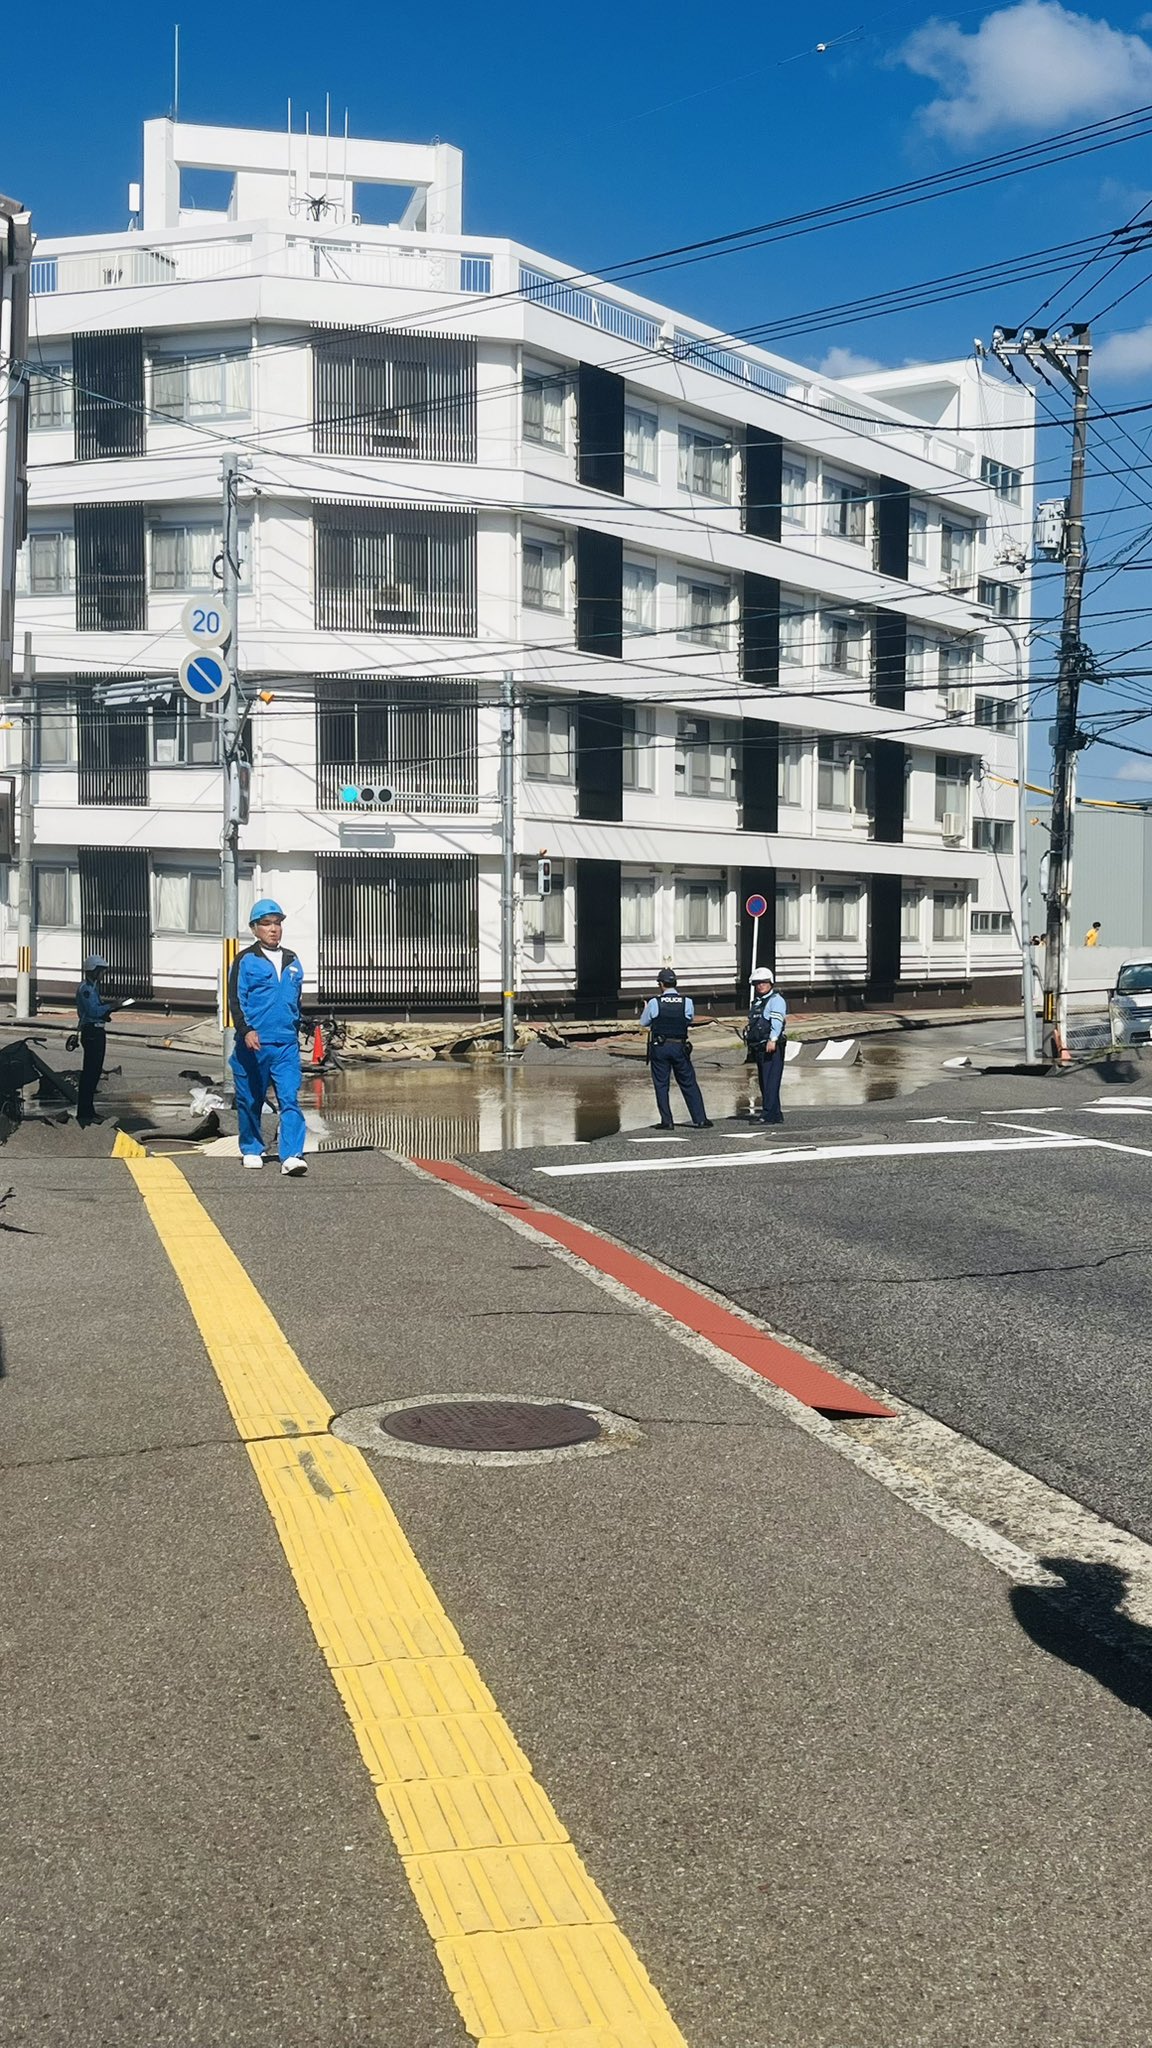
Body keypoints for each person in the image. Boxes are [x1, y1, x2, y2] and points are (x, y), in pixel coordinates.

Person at [227, 899, 309, 1175]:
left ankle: (292, 1155)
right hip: (254, 1042)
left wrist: (300, 1025)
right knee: (251, 1098)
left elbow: (295, 1001)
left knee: (290, 1098)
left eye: (277, 923)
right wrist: (246, 1030)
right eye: (266, 924)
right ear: (254, 928)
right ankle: (251, 1148)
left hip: (285, 1043)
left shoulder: (293, 959)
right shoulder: (245, 960)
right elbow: (235, 1000)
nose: (273, 929)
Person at [639, 968, 712, 1130]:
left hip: (660, 1047)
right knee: (688, 1082)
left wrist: (646, 1009)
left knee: (661, 1084)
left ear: (661, 984)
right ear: (675, 983)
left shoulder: (654, 1003)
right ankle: (700, 1119)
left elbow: (644, 1023)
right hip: (679, 1046)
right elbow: (688, 1019)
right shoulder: (687, 1002)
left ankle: (667, 1121)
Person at [75, 954, 117, 1125]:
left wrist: (108, 1011)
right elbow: (93, 1011)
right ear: (93, 971)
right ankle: (85, 1113)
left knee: (94, 1073)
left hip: (96, 1030)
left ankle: (89, 1111)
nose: (103, 974)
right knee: (90, 1074)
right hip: (92, 1032)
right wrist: (112, 1006)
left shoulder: (93, 987)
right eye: (100, 971)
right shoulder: (86, 988)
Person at [746, 967, 787, 1126]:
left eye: (764, 982)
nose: (760, 985)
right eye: (757, 983)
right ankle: (776, 1113)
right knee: (765, 1081)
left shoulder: (776, 1000)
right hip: (760, 1045)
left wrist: (773, 1039)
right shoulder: (757, 1002)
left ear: (771, 983)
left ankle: (768, 1114)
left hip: (772, 1045)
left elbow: (777, 1021)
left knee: (771, 1081)